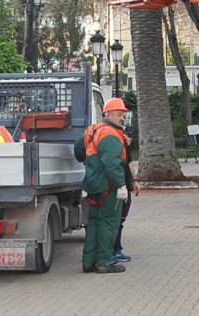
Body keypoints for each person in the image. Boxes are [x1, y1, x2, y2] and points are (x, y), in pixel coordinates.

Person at [79, 97, 130, 273]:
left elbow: (78, 151)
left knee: (93, 224)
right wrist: (121, 186)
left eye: (122, 114)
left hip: (93, 186)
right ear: (107, 114)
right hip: (109, 188)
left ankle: (88, 262)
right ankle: (103, 262)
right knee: (109, 223)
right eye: (118, 114)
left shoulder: (91, 131)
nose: (121, 118)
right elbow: (112, 164)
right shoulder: (111, 135)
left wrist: (90, 164)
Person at [111, 135, 140, 263]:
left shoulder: (124, 144)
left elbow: (129, 162)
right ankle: (110, 250)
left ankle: (117, 249)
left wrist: (134, 180)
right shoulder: (110, 143)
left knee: (120, 220)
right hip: (115, 187)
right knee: (113, 221)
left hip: (125, 186)